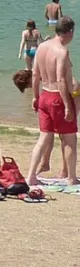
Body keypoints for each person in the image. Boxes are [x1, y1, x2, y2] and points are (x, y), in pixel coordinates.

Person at [26, 18, 78, 186]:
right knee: (70, 139)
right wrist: (68, 105)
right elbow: (61, 80)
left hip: (44, 95)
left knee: (43, 138)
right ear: (69, 32)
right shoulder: (61, 51)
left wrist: (35, 96)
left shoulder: (42, 47)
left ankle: (31, 176)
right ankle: (71, 177)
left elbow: (35, 74)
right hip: (58, 97)